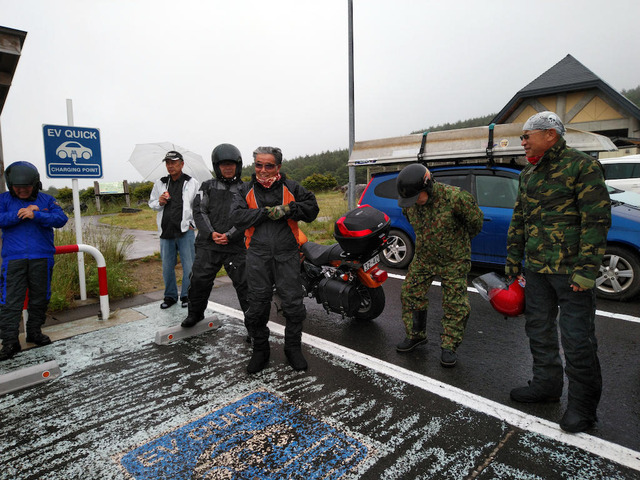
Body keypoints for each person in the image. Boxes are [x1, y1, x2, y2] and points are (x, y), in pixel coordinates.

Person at [506, 111, 611, 433]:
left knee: (578, 340)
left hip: (571, 272)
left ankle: (583, 407)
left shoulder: (582, 166)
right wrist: (513, 259)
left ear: (551, 134)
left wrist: (586, 271)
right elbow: (520, 218)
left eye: (527, 135)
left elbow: (596, 220)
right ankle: (546, 386)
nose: (523, 142)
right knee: (539, 331)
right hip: (536, 269)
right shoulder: (529, 174)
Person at [230, 146, 319, 374]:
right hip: (257, 256)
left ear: (278, 167)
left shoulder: (291, 186)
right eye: (259, 164)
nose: (263, 170)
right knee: (257, 305)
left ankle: (292, 349)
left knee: (293, 304)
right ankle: (260, 350)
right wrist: (266, 213)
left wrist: (289, 210)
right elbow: (237, 216)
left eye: (269, 165)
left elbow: (312, 208)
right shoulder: (245, 189)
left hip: (287, 254)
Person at [395, 163, 483, 368]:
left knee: (455, 303)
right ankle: (416, 335)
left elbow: (475, 224)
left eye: (417, 197)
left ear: (428, 187)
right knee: (410, 293)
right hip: (424, 257)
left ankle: (449, 346)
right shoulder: (410, 205)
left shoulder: (456, 198)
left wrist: (457, 243)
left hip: (454, 259)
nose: (414, 203)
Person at [0, 162, 68, 361]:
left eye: (26, 188)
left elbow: (61, 219)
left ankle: (34, 332)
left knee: (40, 297)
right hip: (14, 259)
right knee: (10, 302)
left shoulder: (46, 199)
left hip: (42, 257)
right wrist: (20, 214)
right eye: (17, 188)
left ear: (35, 184)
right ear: (10, 185)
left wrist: (37, 214)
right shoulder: (3, 200)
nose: (21, 191)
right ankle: (10, 342)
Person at [181, 144, 250, 333]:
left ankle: (253, 325)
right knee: (198, 281)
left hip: (235, 247)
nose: (227, 168)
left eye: (231, 164)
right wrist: (211, 233)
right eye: (223, 164)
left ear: (238, 165)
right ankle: (195, 314)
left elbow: (248, 216)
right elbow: (199, 211)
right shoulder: (207, 186)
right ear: (216, 166)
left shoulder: (246, 188)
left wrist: (230, 235)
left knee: (246, 286)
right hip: (208, 245)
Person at [148, 150, 199, 309]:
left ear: (181, 164)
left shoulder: (192, 182)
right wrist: (160, 202)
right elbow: (152, 204)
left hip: (185, 231)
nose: (170, 166)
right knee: (167, 267)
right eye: (168, 163)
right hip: (166, 231)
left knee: (189, 266)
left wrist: (193, 224)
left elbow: (198, 206)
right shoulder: (161, 182)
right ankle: (170, 296)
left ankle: (186, 295)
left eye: (174, 163)